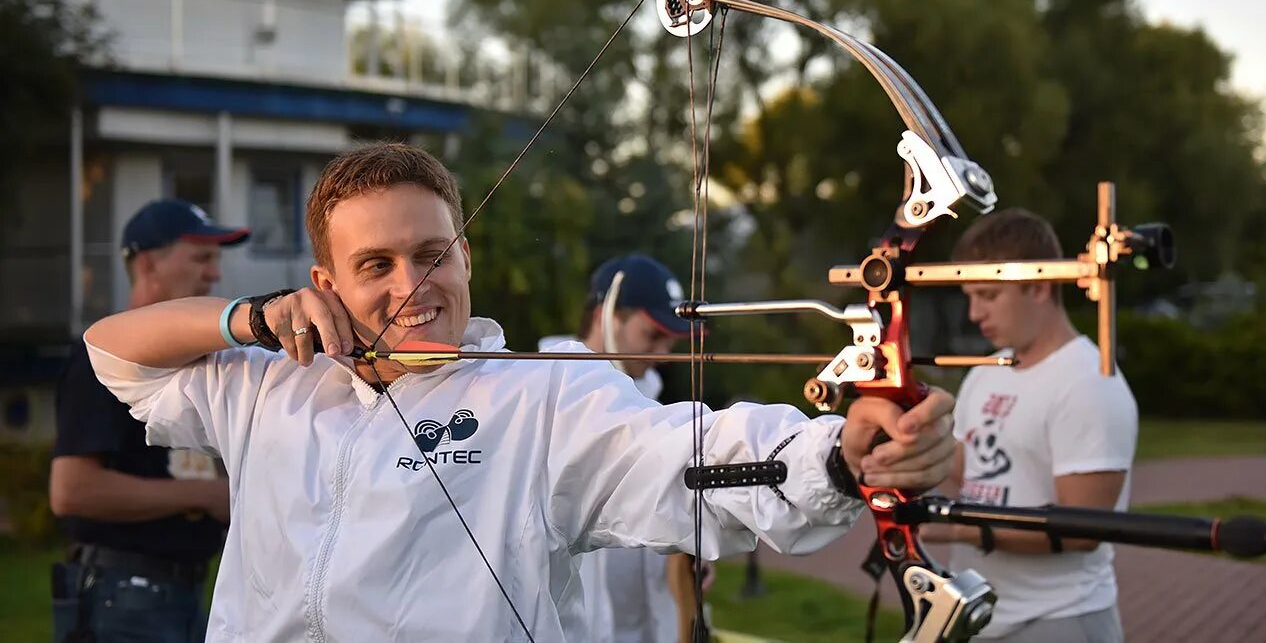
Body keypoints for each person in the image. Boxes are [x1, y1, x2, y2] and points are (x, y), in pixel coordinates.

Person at [82, 141, 957, 641]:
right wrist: (248, 317)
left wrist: (841, 454)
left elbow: (682, 455)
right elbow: (115, 353)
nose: (409, 285)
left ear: (466, 257)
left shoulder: (538, 400)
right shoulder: (273, 385)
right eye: (374, 265)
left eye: (431, 254)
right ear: (325, 280)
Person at [921, 208, 1138, 642]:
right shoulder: (987, 370)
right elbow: (973, 470)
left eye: (987, 295)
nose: (974, 313)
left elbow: (1083, 532)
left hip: (1061, 620)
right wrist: (916, 435)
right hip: (980, 615)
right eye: (969, 295)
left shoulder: (1089, 383)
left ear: (1038, 286)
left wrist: (959, 529)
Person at [50, 199, 250, 642]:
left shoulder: (200, 362)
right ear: (147, 266)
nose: (215, 274)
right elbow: (71, 491)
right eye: (201, 257)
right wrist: (206, 494)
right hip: (123, 592)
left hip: (180, 592)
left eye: (216, 259)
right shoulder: (100, 361)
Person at [547, 253, 703, 643]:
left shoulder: (653, 408)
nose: (663, 356)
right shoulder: (539, 401)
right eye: (652, 335)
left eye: (669, 340)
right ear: (607, 316)